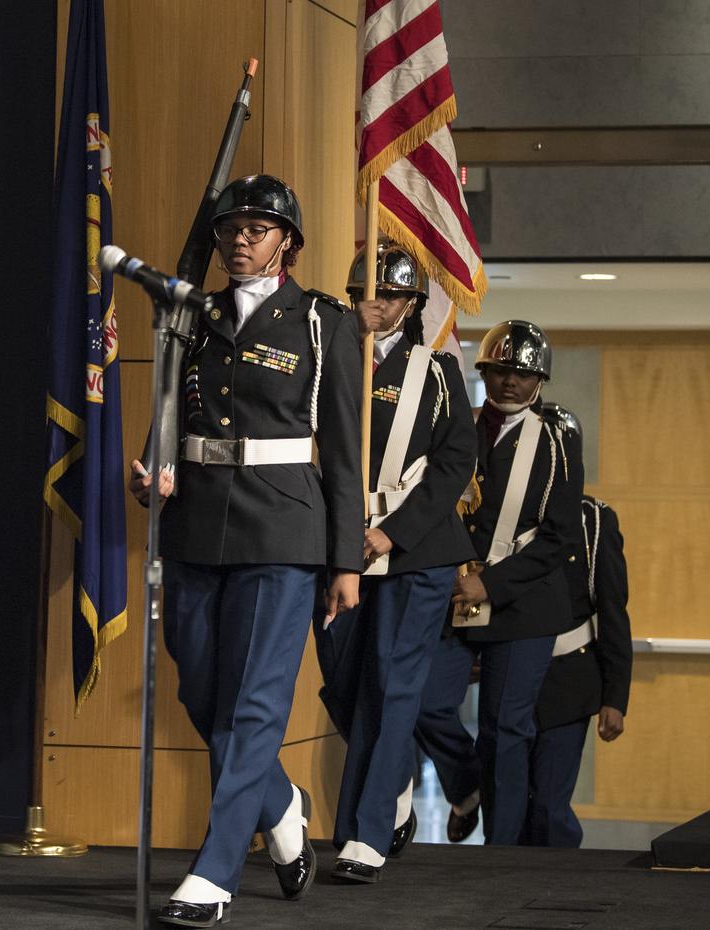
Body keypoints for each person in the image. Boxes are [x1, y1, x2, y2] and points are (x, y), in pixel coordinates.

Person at [129, 175, 364, 928]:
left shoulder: (324, 323)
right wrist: (151, 469)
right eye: (232, 228)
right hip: (197, 520)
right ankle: (282, 802)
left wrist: (347, 560)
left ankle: (214, 872)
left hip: (283, 528)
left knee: (256, 707)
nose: (241, 239)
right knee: (204, 694)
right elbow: (170, 408)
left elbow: (345, 453)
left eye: (259, 228)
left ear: (288, 242)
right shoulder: (191, 318)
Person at [311, 242, 476, 883]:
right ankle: (396, 777)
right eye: (361, 293)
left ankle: (365, 831)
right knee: (346, 681)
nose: (372, 304)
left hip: (416, 550)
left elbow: (455, 460)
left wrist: (393, 533)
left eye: (386, 294)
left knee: (393, 681)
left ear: (411, 304)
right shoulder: (326, 361)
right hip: (336, 546)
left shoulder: (436, 373)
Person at [413, 320, 584, 846]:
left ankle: (501, 852)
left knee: (504, 730)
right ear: (483, 372)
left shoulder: (557, 439)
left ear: (539, 381)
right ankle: (466, 787)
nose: (509, 382)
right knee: (421, 700)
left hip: (524, 604)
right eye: (499, 370)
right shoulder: (457, 425)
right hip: (451, 594)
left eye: (521, 373)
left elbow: (558, 537)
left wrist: (493, 584)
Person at [524, 403, 632, 848]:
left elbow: (613, 611)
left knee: (549, 805)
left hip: (569, 678)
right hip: (510, 675)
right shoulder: (502, 516)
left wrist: (615, 697)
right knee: (511, 806)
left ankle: (559, 890)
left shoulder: (595, 521)